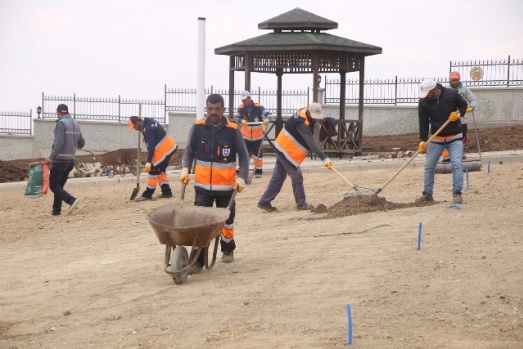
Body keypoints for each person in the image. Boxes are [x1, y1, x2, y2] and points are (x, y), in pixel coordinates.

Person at [180, 94, 249, 267]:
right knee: (201, 223)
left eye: (217, 109)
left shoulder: (233, 130)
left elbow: (244, 156)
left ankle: (227, 248)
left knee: (227, 220)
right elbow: (189, 151)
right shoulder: (197, 128)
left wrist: (242, 178)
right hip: (202, 187)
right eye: (210, 108)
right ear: (206, 109)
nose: (213, 112)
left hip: (226, 187)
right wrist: (185, 168)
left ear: (223, 110)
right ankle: (197, 261)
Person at [257, 102, 334, 212]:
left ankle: (264, 201)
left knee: (278, 176)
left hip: (282, 146)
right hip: (286, 149)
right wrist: (324, 158)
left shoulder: (305, 112)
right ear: (309, 112)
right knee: (296, 175)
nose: (316, 119)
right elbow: (311, 143)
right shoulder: (302, 122)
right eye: (314, 117)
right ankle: (301, 204)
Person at [416, 79, 468, 204]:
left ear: (434, 90)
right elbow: (423, 122)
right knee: (429, 166)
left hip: (454, 136)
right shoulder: (423, 102)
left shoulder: (451, 93)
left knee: (456, 164)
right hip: (436, 137)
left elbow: (463, 105)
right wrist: (423, 140)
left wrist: (459, 113)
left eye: (427, 94)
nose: (425, 97)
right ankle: (427, 195)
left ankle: (457, 194)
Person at [45, 104, 85, 216]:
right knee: (59, 186)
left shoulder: (61, 123)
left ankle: (71, 200)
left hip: (60, 160)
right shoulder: (76, 124)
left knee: (53, 184)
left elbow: (59, 143)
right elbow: (81, 143)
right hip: (71, 161)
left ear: (58, 113)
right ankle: (56, 211)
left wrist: (51, 158)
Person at [128, 115, 178, 201]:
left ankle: (147, 195)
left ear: (138, 123)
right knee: (160, 170)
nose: (135, 129)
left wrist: (149, 162)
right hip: (169, 148)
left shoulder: (148, 130)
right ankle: (167, 192)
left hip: (164, 150)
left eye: (135, 126)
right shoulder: (148, 123)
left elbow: (151, 147)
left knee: (153, 170)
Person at [441, 71, 477, 162]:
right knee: (447, 136)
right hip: (449, 118)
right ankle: (446, 156)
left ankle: (459, 153)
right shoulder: (445, 89)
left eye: (456, 80)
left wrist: (471, 107)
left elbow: (472, 99)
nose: (454, 82)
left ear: (459, 79)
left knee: (462, 135)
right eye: (453, 80)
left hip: (461, 117)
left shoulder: (465, 89)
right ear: (450, 80)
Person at [235, 91, 273, 179]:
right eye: (242, 100)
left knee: (258, 154)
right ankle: (242, 170)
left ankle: (258, 170)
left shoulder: (259, 107)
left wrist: (267, 119)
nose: (243, 102)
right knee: (244, 153)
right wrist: (241, 121)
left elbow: (269, 114)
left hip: (257, 135)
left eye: (245, 100)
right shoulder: (241, 108)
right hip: (245, 136)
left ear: (249, 98)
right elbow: (237, 117)